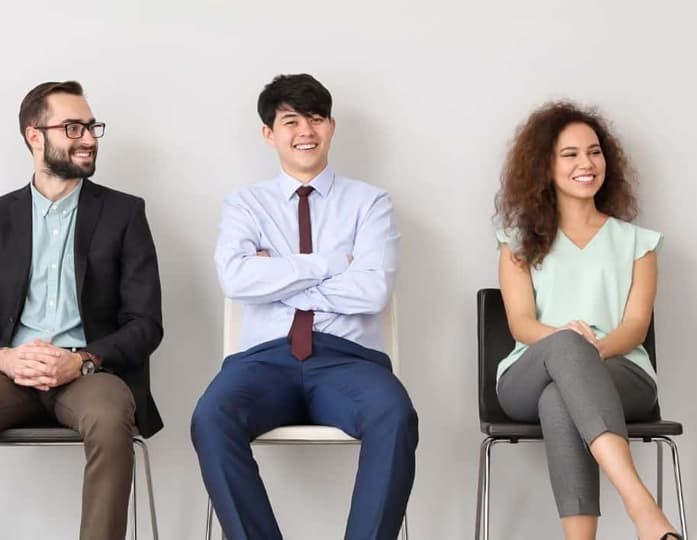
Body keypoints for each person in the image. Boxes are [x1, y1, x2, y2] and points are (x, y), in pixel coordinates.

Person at [191, 73, 416, 540]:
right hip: (262, 362)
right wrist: (333, 264)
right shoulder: (245, 205)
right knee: (211, 416)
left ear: (332, 126)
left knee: (394, 413)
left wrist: (277, 276)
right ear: (269, 133)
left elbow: (372, 291)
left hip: (348, 361)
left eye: (316, 119)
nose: (305, 132)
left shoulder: (370, 203)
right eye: (291, 121)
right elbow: (236, 278)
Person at [494, 101, 681, 540]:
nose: (587, 163)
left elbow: (635, 327)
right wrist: (568, 346)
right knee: (563, 354)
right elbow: (521, 325)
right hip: (529, 372)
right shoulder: (516, 243)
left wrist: (588, 352)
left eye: (594, 152)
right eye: (571, 154)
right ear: (545, 166)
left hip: (623, 373)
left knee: (561, 396)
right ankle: (643, 509)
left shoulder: (638, 243)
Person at [0, 80, 164, 539]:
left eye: (92, 127)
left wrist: (82, 360)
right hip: (10, 372)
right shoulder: (1, 217)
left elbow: (146, 324)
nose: (89, 138)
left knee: (111, 422)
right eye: (73, 128)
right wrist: (6, 358)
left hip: (90, 374)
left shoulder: (124, 213)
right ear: (35, 136)